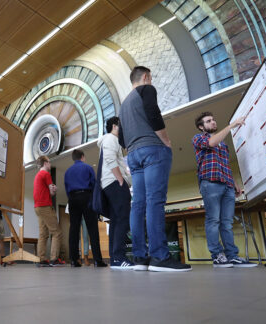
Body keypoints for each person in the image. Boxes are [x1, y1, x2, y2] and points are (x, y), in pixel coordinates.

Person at [119, 66, 191, 272]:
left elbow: (122, 139)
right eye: (150, 78)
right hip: (152, 149)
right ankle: (160, 256)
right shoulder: (146, 89)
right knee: (154, 201)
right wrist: (166, 140)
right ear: (146, 77)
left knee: (138, 204)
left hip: (133, 155)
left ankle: (140, 258)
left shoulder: (123, 105)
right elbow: (153, 112)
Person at [193, 112, 257, 268]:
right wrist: (231, 125)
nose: (213, 122)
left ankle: (232, 255)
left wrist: (234, 184)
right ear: (201, 127)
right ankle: (217, 256)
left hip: (227, 185)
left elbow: (225, 165)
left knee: (227, 223)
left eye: (214, 120)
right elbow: (211, 143)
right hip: (210, 183)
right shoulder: (198, 138)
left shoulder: (224, 145)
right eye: (209, 121)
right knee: (213, 220)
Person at [97, 117, 134, 270]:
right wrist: (120, 180)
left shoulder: (109, 140)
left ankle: (115, 259)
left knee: (116, 220)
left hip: (110, 183)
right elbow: (110, 158)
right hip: (114, 182)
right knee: (123, 219)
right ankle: (119, 257)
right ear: (114, 126)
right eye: (121, 125)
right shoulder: (111, 138)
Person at [64, 149, 106, 268]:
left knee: (74, 230)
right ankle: (98, 260)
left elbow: (67, 188)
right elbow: (94, 184)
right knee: (92, 228)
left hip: (72, 198)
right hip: (86, 196)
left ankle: (74, 260)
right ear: (82, 157)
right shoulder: (88, 168)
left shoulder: (67, 171)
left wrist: (72, 198)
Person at [33, 155, 64, 267]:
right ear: (45, 163)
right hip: (45, 206)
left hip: (37, 207)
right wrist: (55, 189)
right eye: (49, 162)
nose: (50, 165)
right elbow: (51, 191)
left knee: (43, 234)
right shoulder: (46, 174)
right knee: (57, 232)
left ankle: (41, 259)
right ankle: (54, 259)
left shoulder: (37, 175)